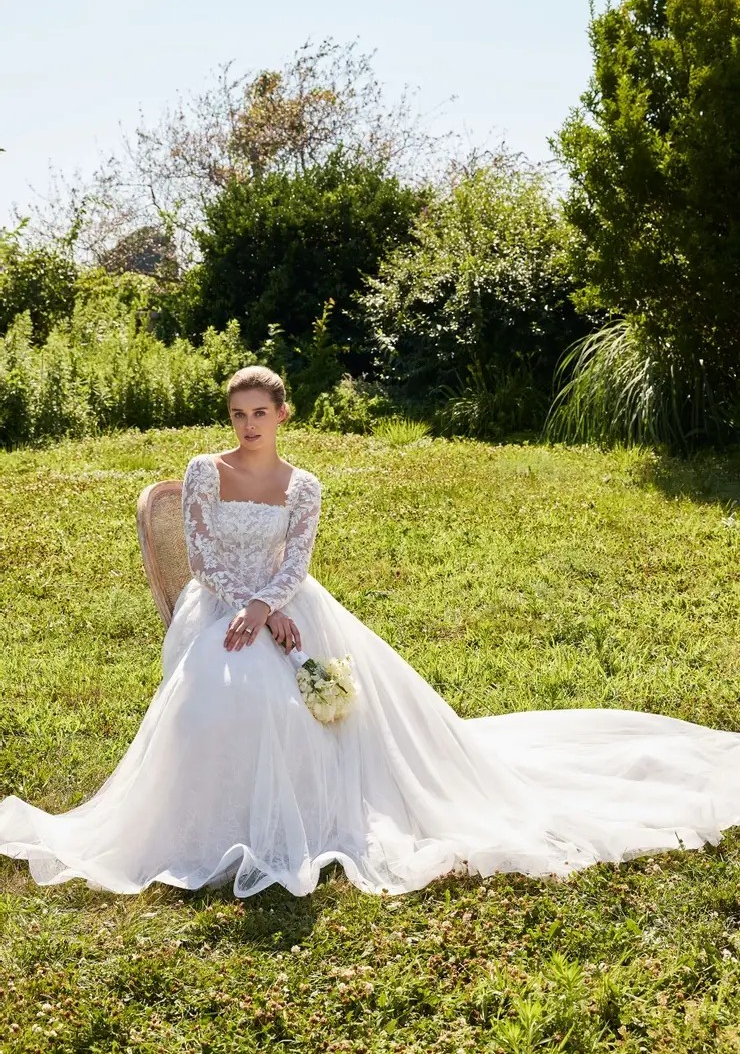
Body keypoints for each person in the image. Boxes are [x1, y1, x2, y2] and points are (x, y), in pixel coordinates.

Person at [1, 364, 739, 898]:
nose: (248, 425)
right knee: (216, 701)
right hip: (220, 608)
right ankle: (208, 825)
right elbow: (198, 556)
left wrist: (270, 606)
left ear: (283, 414)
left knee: (316, 708)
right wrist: (246, 607)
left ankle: (312, 815)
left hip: (288, 607)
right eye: (238, 414)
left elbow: (297, 562)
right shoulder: (203, 470)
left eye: (260, 412)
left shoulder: (303, 485)